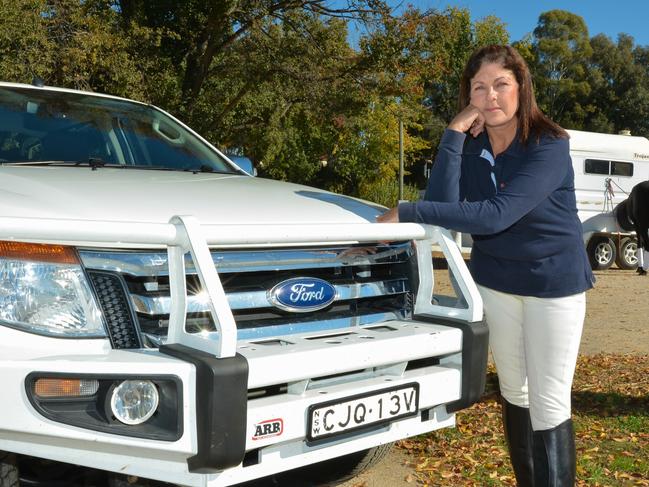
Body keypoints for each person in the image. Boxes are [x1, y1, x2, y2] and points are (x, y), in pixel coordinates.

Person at [378, 45, 594, 487]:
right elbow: (444, 205)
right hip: (497, 281)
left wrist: (407, 210)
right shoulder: (472, 145)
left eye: (501, 85)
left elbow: (494, 214)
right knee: (515, 393)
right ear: (468, 94)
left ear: (521, 89)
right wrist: (454, 134)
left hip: (553, 283)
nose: (490, 96)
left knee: (549, 403)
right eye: (479, 87)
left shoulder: (549, 145)